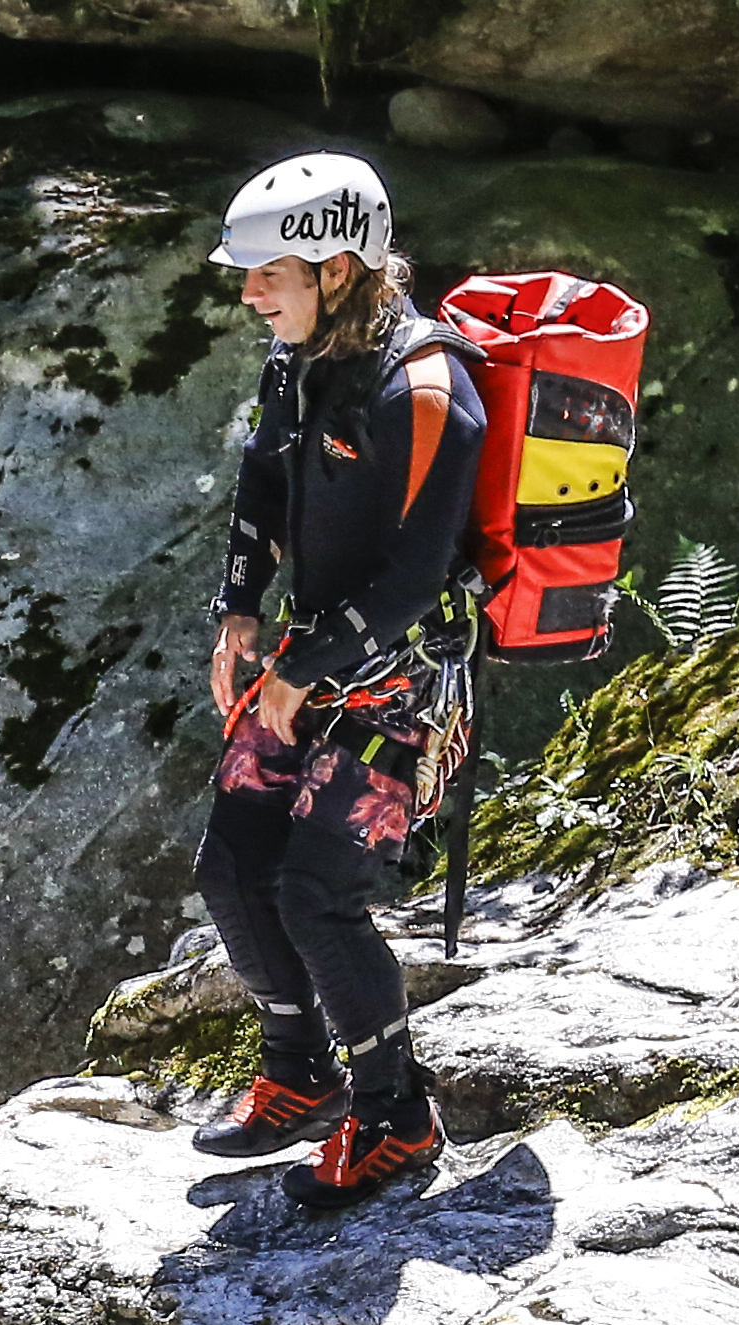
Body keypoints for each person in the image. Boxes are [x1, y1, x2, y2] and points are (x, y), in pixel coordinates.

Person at [189, 151, 487, 1212]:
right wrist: (236, 607)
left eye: (266, 270)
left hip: (398, 681)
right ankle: (296, 1073)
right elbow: (263, 478)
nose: (246, 290)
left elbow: (413, 576)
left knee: (317, 896)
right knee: (231, 867)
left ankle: (396, 1117)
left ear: (337, 263)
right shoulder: (298, 356)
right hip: (304, 663)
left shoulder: (426, 388)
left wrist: (301, 671)